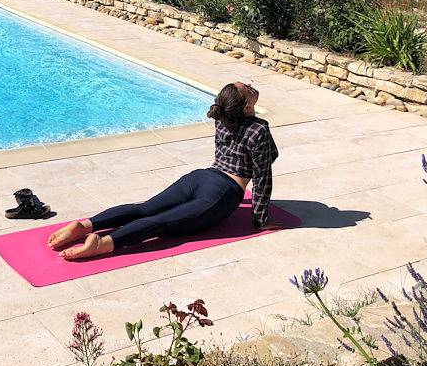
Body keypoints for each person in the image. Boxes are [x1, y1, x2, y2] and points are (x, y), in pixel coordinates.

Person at [47, 81, 279, 260]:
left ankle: (85, 226)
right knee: (162, 221)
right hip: (224, 191)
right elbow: (262, 177)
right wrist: (260, 219)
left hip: (200, 177)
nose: (252, 85)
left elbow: (262, 155)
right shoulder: (258, 129)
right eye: (248, 88)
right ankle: (103, 243)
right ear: (246, 106)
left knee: (145, 208)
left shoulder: (222, 116)